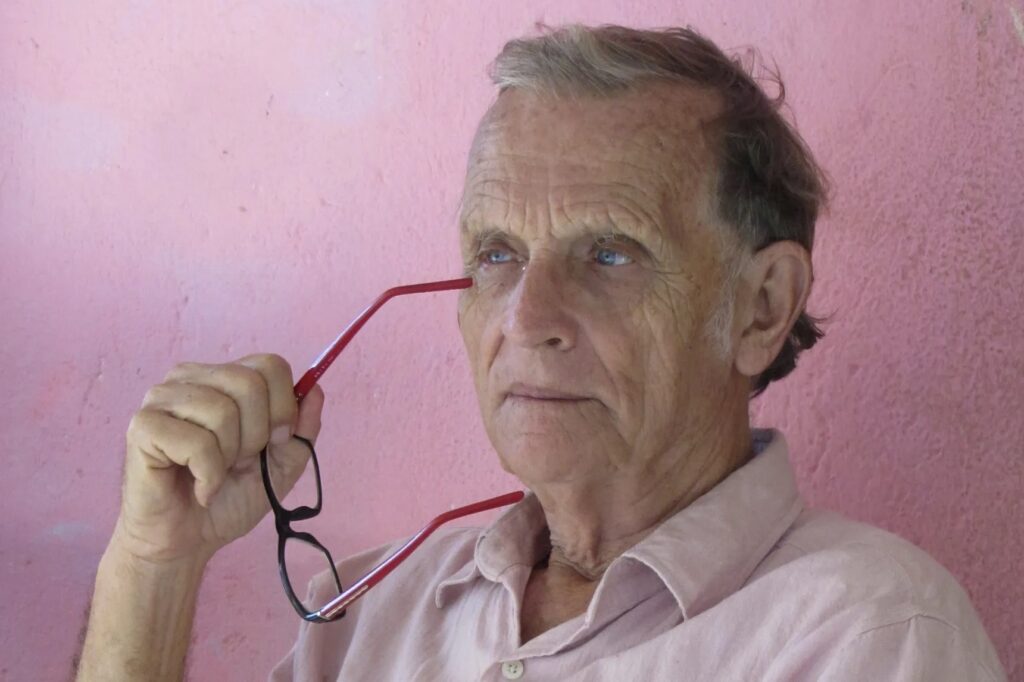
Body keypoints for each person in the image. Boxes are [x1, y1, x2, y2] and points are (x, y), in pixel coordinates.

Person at [76, 24, 1006, 681]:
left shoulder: (870, 634)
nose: (525, 317)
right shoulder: (371, 615)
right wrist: (153, 566)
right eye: (496, 255)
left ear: (762, 308)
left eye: (609, 253)